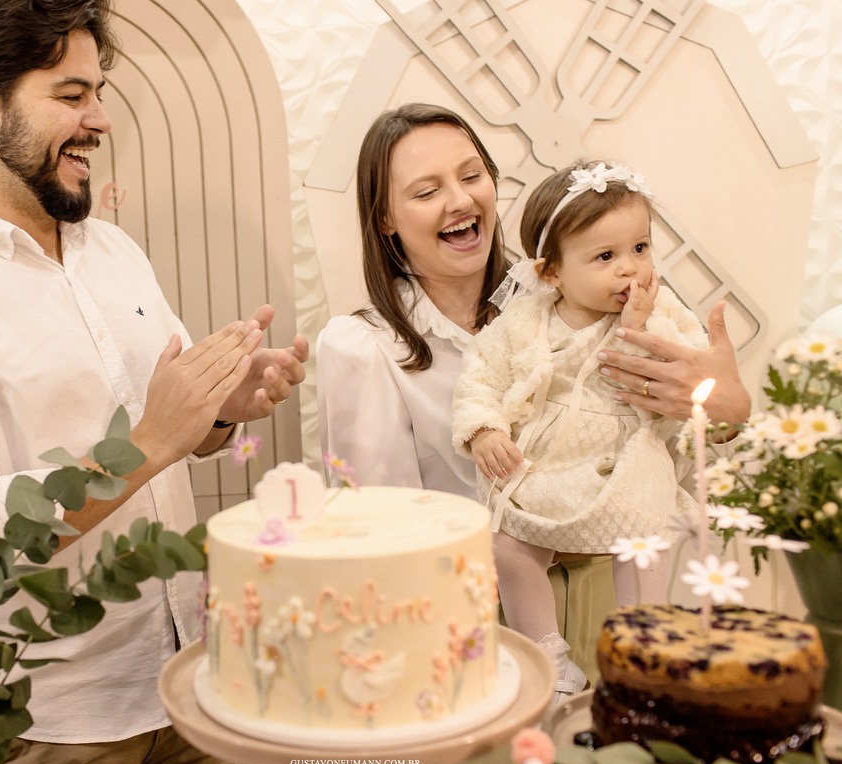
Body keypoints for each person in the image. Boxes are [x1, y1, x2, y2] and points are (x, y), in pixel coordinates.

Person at [0, 1, 307, 764]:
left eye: (98, 90)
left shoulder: (111, 250)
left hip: (188, 684)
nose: (100, 119)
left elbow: (168, 423)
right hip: (39, 728)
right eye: (72, 95)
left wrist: (221, 409)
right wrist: (149, 442)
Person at [316, 103, 749, 496]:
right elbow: (383, 528)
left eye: (472, 176)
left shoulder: (584, 299)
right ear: (385, 218)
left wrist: (726, 417)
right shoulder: (364, 349)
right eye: (427, 192)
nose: (461, 200)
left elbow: (678, 477)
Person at [451, 159, 707, 703]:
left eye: (640, 248)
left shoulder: (660, 309)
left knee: (645, 545)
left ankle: (642, 651)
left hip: (628, 454)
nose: (631, 271)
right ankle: (545, 652)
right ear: (550, 273)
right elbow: (480, 376)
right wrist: (485, 431)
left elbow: (685, 367)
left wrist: (637, 329)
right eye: (606, 257)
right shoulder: (525, 318)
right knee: (508, 547)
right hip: (549, 458)